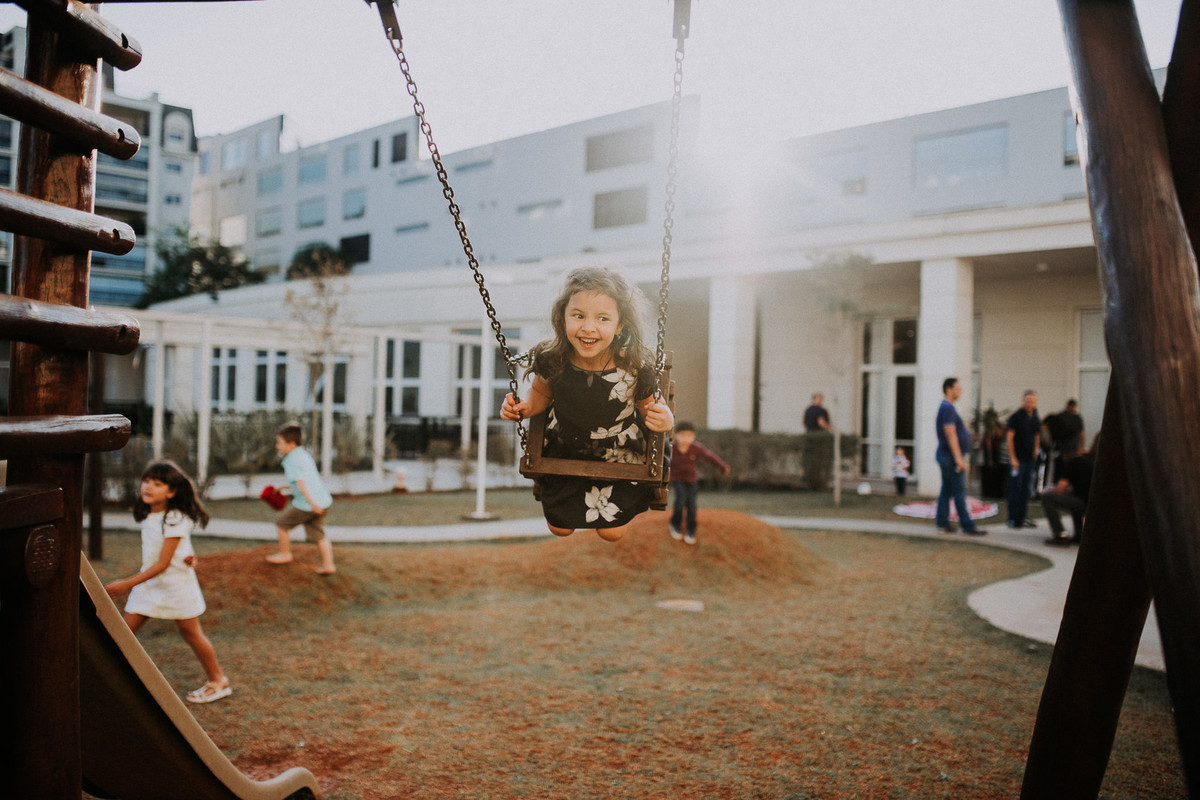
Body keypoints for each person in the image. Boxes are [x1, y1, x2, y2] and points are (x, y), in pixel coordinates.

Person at [501, 266, 674, 541]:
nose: (588, 327)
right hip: (566, 450)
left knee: (612, 532)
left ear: (620, 325)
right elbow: (539, 399)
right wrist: (521, 409)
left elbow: (650, 407)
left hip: (620, 453)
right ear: (563, 318)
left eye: (603, 318)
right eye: (578, 316)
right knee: (560, 527)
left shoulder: (635, 365)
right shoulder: (552, 358)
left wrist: (665, 419)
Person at [105, 460, 231, 704]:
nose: (148, 487)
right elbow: (175, 550)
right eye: (147, 481)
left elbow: (162, 564)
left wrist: (126, 584)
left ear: (171, 492)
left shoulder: (175, 518)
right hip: (150, 586)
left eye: (158, 484)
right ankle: (112, 684)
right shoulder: (150, 515)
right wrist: (189, 557)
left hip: (176, 587)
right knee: (121, 632)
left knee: (192, 634)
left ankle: (219, 681)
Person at [266, 421, 336, 574]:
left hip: (308, 505)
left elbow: (301, 484)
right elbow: (304, 480)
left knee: (281, 524)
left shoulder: (291, 460)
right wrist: (283, 488)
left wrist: (312, 504)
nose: (277, 446)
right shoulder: (303, 454)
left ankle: (285, 554)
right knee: (319, 535)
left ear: (291, 444)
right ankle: (328, 565)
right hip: (323, 502)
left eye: (279, 443)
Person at [668, 421, 730, 545]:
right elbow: (662, 460)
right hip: (677, 479)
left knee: (692, 504)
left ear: (694, 437)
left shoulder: (696, 448)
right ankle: (675, 525)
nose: (686, 439)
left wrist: (723, 467)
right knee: (680, 500)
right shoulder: (671, 448)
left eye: (689, 436)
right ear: (676, 435)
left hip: (692, 480)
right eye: (682, 435)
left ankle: (691, 530)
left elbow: (710, 457)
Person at [935, 377, 982, 535]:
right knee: (959, 491)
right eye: (957, 388)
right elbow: (950, 434)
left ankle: (942, 524)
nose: (960, 391)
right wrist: (958, 459)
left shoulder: (948, 407)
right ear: (949, 389)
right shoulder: (948, 408)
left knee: (946, 490)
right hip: (950, 457)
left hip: (947, 456)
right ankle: (967, 526)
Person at [1042, 436, 1095, 545]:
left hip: (1084, 503)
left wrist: (1050, 489)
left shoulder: (1071, 463)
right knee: (1073, 500)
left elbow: (1061, 488)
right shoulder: (1087, 462)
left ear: (1064, 454)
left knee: (1047, 497)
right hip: (1091, 501)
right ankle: (1078, 535)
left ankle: (1060, 534)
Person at [1005, 390, 1041, 529]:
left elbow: (1037, 434)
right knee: (1015, 488)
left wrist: (1035, 450)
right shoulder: (1016, 416)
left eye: (1033, 400)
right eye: (1028, 400)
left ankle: (1022, 517)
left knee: (1026, 489)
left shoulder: (1035, 416)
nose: (1030, 403)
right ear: (1023, 400)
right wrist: (1013, 458)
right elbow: (1010, 437)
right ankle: (1013, 518)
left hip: (1029, 460)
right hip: (1018, 460)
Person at [1041, 399, 1085, 487]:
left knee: (1070, 469)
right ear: (1068, 406)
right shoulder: (1060, 417)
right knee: (1060, 470)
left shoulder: (1077, 418)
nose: (1072, 409)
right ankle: (1057, 486)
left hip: (1073, 448)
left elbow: (1081, 433)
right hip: (1062, 448)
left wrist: (1081, 447)